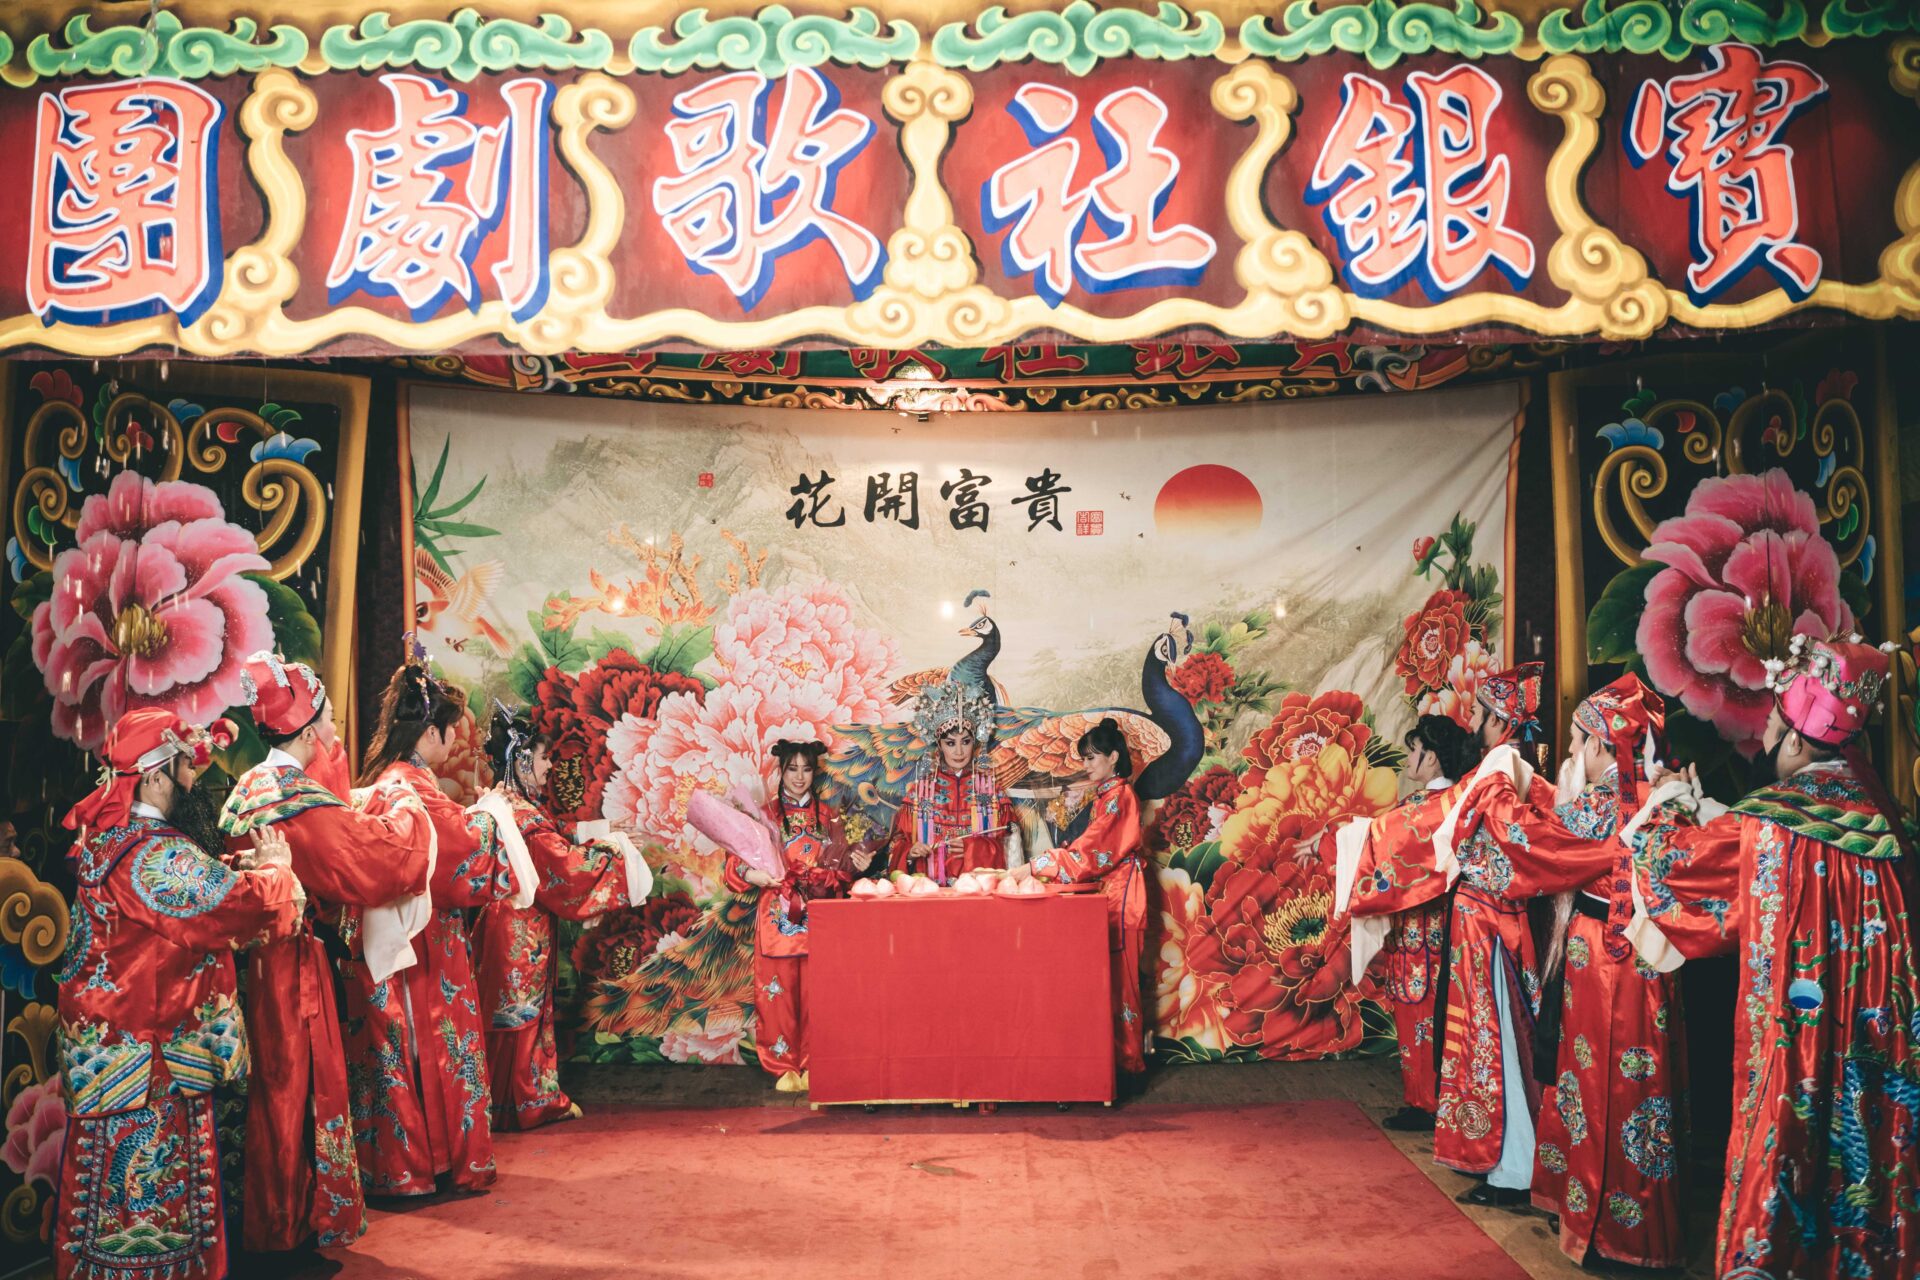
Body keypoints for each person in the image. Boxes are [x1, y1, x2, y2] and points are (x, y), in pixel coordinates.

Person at [1625, 635, 1918, 1280]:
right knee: (1872, 1150)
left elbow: (1675, 869)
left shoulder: (1774, 823)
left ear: (1794, 739)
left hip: (1799, 1038)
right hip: (1880, 1037)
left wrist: (1665, 804)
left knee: (1788, 1139)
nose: (1765, 737)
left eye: (1773, 722)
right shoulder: (1892, 821)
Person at [53, 710, 304, 1280]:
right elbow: (230, 908)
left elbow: (196, 887)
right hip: (148, 1057)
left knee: (103, 1192)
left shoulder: (114, 841)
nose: (194, 780)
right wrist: (276, 872)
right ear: (153, 777)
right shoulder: (151, 853)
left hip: (118, 1049)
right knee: (149, 1200)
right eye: (185, 768)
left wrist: (234, 866)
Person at [218, 652, 434, 1254]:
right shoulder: (299, 804)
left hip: (244, 967)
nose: (336, 732)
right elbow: (374, 861)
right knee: (295, 1088)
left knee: (259, 1089)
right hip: (291, 968)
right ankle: (294, 1223)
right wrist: (407, 809)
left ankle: (263, 1219)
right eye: (332, 720)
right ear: (310, 732)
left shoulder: (252, 788)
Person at [1525, 674, 1685, 1269]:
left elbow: (1529, 849)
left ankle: (1601, 1228)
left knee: (1597, 1086)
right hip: (1653, 961)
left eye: (1576, 741)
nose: (1571, 753)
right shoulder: (1667, 801)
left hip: (1603, 955)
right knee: (1643, 1087)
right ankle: (1637, 1226)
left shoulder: (1599, 805)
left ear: (1600, 744)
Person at [344, 659, 518, 1197]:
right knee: (435, 1043)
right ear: (430, 733)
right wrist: (494, 814)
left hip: (399, 934)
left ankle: (407, 1164)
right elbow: (457, 849)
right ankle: (437, 1161)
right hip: (422, 939)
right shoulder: (409, 788)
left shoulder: (385, 782)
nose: (454, 740)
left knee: (401, 1048)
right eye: (450, 730)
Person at [472, 706, 647, 1130]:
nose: (550, 766)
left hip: (501, 921)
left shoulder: (504, 805)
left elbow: (556, 841)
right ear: (522, 760)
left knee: (507, 1012)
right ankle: (530, 1102)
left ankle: (500, 1103)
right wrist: (616, 853)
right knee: (521, 1013)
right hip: (518, 926)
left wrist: (602, 835)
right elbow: (566, 868)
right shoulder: (522, 816)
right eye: (543, 757)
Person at [723, 738, 876, 1092]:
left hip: (820, 916)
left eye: (806, 769)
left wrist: (858, 864)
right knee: (778, 993)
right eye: (792, 769)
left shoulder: (831, 816)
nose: (799, 777)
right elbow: (733, 864)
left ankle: (813, 1061)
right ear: (781, 771)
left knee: (816, 993)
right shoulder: (766, 816)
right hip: (777, 915)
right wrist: (753, 875)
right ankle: (782, 1064)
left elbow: (844, 867)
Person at [1373, 714, 1482, 1131]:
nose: (1408, 758)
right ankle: (1435, 1099)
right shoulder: (1457, 802)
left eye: (1414, 750)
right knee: (1439, 1014)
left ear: (1432, 757)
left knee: (1419, 1013)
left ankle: (1425, 1102)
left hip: (1419, 927)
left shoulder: (1421, 808)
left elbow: (1380, 852)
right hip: (1448, 925)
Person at [1029, 718, 1149, 1075]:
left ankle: (1129, 1065)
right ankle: (1108, 1062)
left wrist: (1038, 865)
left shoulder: (1120, 798)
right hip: (1109, 891)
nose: (1086, 765)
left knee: (1123, 983)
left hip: (1122, 894)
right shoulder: (1107, 796)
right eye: (1084, 758)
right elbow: (1088, 847)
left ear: (1114, 757)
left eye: (1092, 757)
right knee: (1107, 979)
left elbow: (1091, 853)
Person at [886, 680, 1017, 882]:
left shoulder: (992, 793)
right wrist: (910, 853)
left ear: (974, 743)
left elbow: (1011, 849)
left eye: (966, 742)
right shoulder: (920, 793)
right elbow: (897, 844)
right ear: (939, 745)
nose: (959, 751)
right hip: (929, 890)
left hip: (977, 889)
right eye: (950, 743)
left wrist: (973, 848)